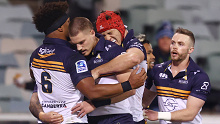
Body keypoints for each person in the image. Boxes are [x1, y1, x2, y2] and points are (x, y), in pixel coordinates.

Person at [29, 2, 146, 124]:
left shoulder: (112, 50)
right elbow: (94, 91)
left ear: (92, 32)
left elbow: (130, 90)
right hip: (86, 117)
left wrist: (95, 103)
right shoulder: (72, 55)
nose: (79, 47)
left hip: (117, 117)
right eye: (76, 44)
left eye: (82, 42)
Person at [72, 11, 148, 124]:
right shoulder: (87, 52)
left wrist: (97, 71)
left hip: (127, 115)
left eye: (110, 32)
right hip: (98, 115)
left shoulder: (130, 45)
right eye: (103, 35)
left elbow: (133, 59)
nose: (107, 38)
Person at [144, 28, 211, 124]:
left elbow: (190, 114)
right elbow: (143, 103)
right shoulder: (157, 70)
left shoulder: (200, 77)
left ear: (190, 50)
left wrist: (158, 115)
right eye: (173, 43)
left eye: (180, 44)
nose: (174, 47)